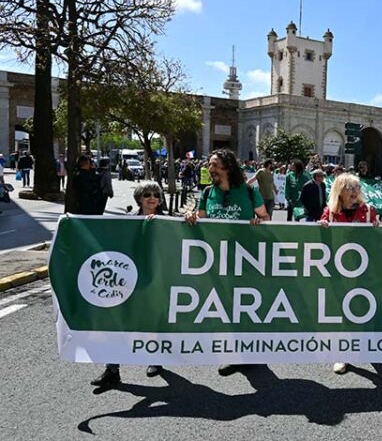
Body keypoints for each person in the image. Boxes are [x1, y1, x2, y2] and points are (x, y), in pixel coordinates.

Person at [185, 149, 267, 376]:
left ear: (227, 167)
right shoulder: (207, 192)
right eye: (209, 165)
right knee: (224, 306)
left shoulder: (249, 192)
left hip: (246, 259)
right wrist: (192, 217)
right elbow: (201, 220)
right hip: (216, 259)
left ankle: (243, 354)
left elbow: (266, 218)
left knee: (243, 306)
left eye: (214, 165)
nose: (209, 169)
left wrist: (258, 222)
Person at [91, 181, 166, 387]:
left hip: (156, 280)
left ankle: (155, 359)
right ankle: (112, 369)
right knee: (118, 322)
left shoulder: (169, 222)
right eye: (147, 194)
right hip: (129, 280)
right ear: (139, 198)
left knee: (152, 321)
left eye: (155, 195)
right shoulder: (128, 222)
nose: (152, 198)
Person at [319, 173, 379, 375]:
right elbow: (322, 241)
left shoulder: (369, 211)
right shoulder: (330, 212)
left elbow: (378, 240)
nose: (355, 192)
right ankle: (343, 354)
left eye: (357, 187)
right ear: (339, 191)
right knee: (344, 311)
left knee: (365, 308)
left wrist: (377, 229)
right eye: (349, 188)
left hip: (365, 270)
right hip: (340, 270)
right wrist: (322, 228)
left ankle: (365, 345)